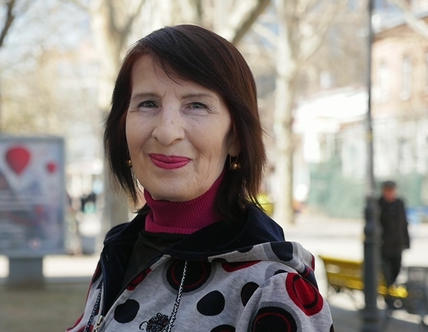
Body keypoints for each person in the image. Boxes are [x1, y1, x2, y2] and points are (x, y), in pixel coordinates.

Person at [67, 25, 333, 332]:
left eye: (196, 105)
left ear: (235, 138)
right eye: (148, 103)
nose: (167, 132)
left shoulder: (272, 291)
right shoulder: (116, 254)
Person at [378, 180, 410, 289]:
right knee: (386, 271)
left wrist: (406, 242)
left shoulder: (400, 203)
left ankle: (390, 290)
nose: (391, 193)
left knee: (397, 268)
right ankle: (389, 293)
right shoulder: (378, 204)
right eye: (388, 191)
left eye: (392, 191)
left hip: (397, 244)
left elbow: (404, 223)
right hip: (384, 246)